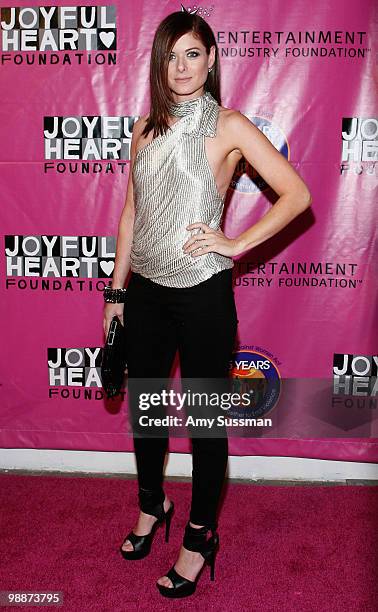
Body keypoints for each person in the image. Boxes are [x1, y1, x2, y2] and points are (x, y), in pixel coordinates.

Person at [103, 10, 311, 599]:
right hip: (143, 292)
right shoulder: (145, 128)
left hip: (202, 296)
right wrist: (116, 294)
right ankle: (152, 506)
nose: (182, 66)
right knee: (146, 413)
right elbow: (131, 214)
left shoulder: (229, 126)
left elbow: (297, 194)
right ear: (159, 64)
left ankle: (199, 538)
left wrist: (237, 243)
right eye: (171, 56)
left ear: (212, 59)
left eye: (192, 54)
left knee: (203, 424)